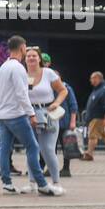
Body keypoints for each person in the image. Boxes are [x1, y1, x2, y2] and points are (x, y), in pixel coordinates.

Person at [0, 37, 57, 195]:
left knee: (4, 148)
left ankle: (6, 183)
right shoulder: (18, 68)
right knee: (33, 147)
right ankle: (41, 184)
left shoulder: (3, 67)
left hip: (1, 114)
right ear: (22, 48)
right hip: (16, 114)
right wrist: (31, 114)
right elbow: (22, 94)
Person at [25, 47, 67, 193]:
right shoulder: (23, 74)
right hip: (29, 113)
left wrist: (56, 103)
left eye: (34, 56)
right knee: (31, 148)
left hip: (47, 113)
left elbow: (63, 90)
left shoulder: (48, 73)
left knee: (48, 149)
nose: (31, 58)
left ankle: (56, 181)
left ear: (39, 59)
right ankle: (32, 183)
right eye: (28, 56)